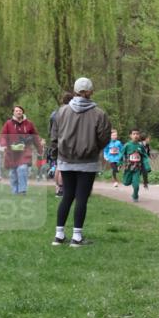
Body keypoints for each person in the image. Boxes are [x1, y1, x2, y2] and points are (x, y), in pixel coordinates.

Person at [52, 77, 111, 247]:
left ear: (75, 90)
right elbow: (104, 137)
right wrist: (94, 148)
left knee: (67, 195)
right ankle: (77, 237)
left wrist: (59, 152)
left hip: (66, 159)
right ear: (90, 92)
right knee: (82, 198)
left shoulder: (61, 112)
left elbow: (54, 136)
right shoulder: (99, 114)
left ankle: (59, 235)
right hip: (88, 161)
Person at [0, 105, 42, 196]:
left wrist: (39, 149)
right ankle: (15, 192)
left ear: (23, 112)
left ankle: (22, 191)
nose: (18, 112)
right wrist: (3, 145)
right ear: (13, 112)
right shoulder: (8, 123)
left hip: (25, 151)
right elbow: (3, 135)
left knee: (22, 169)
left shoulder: (29, 124)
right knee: (13, 173)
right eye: (16, 111)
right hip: (12, 152)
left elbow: (35, 136)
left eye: (20, 111)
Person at [121, 128, 150, 203]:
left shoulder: (140, 146)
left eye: (137, 134)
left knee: (136, 185)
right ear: (130, 135)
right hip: (128, 168)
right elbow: (121, 154)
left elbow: (145, 156)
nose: (136, 135)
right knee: (126, 183)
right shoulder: (127, 145)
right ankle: (129, 180)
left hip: (137, 168)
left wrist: (147, 166)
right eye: (134, 134)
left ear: (139, 135)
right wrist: (119, 163)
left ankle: (135, 195)